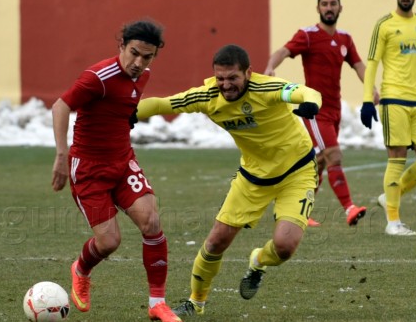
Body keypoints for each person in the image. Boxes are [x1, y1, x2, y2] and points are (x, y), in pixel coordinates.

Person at [136, 44, 322, 316]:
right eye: (220, 78)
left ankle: (258, 260)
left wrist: (309, 103)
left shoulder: (267, 89)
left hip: (297, 171)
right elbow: (163, 103)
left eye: (232, 78)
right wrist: (128, 114)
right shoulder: (208, 96)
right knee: (215, 243)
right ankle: (195, 302)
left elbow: (306, 91)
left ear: (248, 72)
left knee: (284, 247)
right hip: (252, 178)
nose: (226, 85)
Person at [51, 20, 181, 322]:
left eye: (146, 57)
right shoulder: (98, 76)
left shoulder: (143, 75)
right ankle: (81, 269)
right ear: (121, 45)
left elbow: (120, 106)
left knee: (151, 221)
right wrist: (61, 154)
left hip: (122, 162)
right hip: (89, 169)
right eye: (133, 53)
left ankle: (157, 303)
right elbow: (60, 106)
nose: (138, 63)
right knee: (109, 242)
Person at [264, 0, 378, 227]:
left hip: (335, 110)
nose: (328, 8)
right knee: (333, 155)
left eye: (332, 4)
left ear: (340, 8)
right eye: (324, 4)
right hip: (315, 110)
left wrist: (371, 89)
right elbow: (284, 51)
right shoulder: (307, 35)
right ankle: (350, 208)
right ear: (318, 9)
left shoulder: (345, 39)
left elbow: (358, 66)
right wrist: (270, 66)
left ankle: (298, 211)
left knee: (319, 162)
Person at [360, 0, 416, 236]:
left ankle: (389, 196)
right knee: (396, 158)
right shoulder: (384, 25)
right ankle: (393, 222)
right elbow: (372, 63)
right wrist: (367, 100)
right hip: (393, 100)